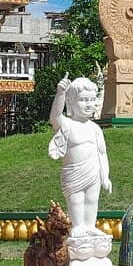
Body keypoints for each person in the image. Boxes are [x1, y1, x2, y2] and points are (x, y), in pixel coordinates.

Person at [48, 75, 111, 238]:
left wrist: (105, 176)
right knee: (76, 200)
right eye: (83, 100)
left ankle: (90, 225)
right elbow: (54, 117)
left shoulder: (95, 128)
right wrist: (60, 93)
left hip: (93, 171)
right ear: (70, 102)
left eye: (92, 99)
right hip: (73, 171)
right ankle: (77, 226)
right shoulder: (68, 124)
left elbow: (102, 153)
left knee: (92, 199)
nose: (89, 104)